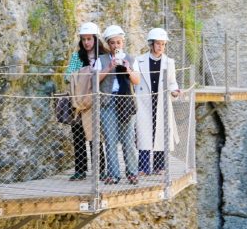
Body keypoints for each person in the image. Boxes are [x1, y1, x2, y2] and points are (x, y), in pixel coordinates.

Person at [96, 24, 141, 184]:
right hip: (108, 102)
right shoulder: (101, 60)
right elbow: (95, 80)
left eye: (118, 42)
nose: (116, 45)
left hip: (126, 102)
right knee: (110, 140)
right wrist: (109, 67)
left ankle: (132, 172)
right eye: (113, 43)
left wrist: (128, 69)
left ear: (123, 43)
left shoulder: (131, 59)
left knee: (128, 139)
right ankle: (113, 174)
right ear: (108, 44)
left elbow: (137, 80)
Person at [134, 28, 180, 175]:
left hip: (161, 102)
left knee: (160, 133)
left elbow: (172, 82)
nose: (161, 47)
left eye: (163, 44)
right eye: (158, 43)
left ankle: (159, 167)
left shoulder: (169, 62)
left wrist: (175, 91)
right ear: (151, 44)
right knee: (144, 133)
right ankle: (143, 167)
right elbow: (135, 81)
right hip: (144, 102)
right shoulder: (139, 60)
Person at [64, 22, 102, 181]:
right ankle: (80, 170)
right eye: (84, 39)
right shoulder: (77, 57)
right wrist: (86, 72)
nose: (86, 42)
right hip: (79, 102)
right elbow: (67, 76)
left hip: (96, 102)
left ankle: (100, 169)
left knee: (97, 137)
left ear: (95, 39)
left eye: (89, 39)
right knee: (78, 135)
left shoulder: (103, 56)